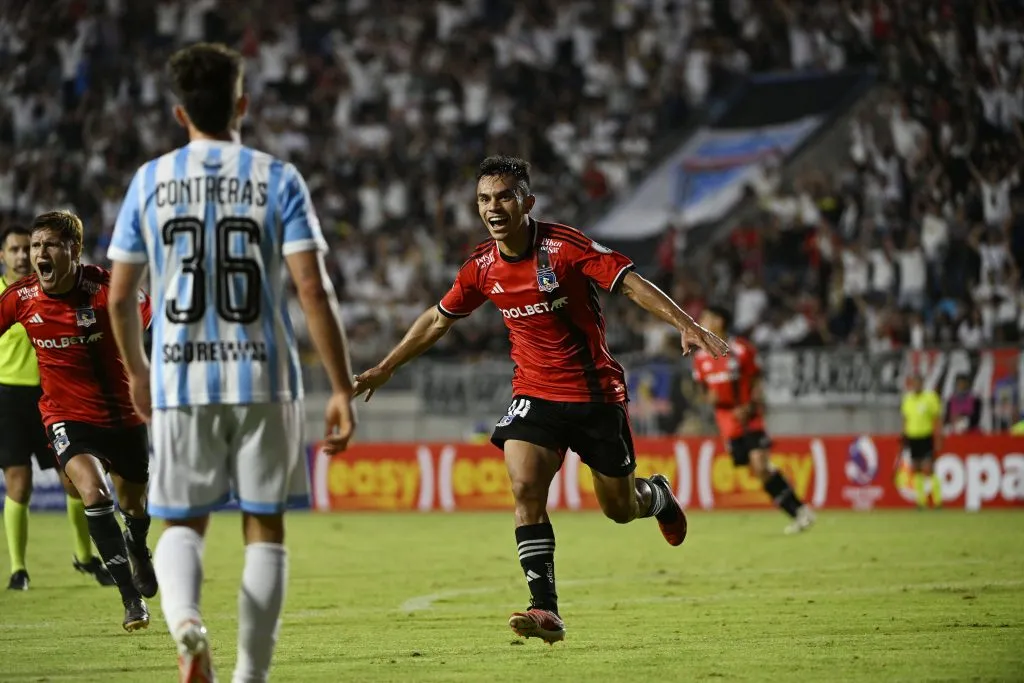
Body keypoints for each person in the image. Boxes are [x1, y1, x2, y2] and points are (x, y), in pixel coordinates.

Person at [353, 155, 730, 645]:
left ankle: (656, 495)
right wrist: (387, 365)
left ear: (526, 202)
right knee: (525, 485)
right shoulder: (481, 268)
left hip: (595, 395)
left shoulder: (565, 247)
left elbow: (630, 284)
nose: (494, 207)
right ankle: (545, 609)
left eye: (504, 196)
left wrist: (686, 323)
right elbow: (438, 319)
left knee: (619, 508)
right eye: (485, 199)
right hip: (535, 393)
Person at [107, 42, 356, 683]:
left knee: (182, 520)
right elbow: (312, 289)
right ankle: (250, 675)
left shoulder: (150, 181)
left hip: (179, 376)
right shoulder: (278, 179)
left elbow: (116, 294)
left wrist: (137, 371)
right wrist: (339, 387)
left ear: (179, 112)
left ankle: (187, 622)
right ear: (242, 103)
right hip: (265, 379)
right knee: (263, 527)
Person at [0, 211, 156, 629]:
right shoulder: (22, 298)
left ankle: (138, 547)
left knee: (134, 507)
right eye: (35, 246)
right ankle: (130, 600)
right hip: (65, 416)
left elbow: (151, 320)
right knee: (95, 492)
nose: (39, 254)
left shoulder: (107, 290)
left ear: (74, 249)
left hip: (123, 416)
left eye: (49, 245)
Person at [0, 225, 114, 590]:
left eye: (25, 249)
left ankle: (84, 557)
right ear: (3, 255)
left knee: (74, 481)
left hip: (54, 398)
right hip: (8, 398)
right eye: (14, 250)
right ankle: (18, 569)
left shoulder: (50, 292)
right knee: (19, 483)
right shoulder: (8, 298)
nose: (21, 256)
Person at [692, 305, 816, 534]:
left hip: (748, 417)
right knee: (759, 470)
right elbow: (702, 391)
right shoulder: (700, 357)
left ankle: (800, 511)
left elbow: (757, 380)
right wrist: (708, 397)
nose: (703, 321)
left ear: (720, 321)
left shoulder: (741, 350)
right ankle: (799, 511)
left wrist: (751, 405)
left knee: (759, 464)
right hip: (727, 422)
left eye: (708, 317)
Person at [901, 373, 943, 509]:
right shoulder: (908, 399)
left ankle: (937, 501)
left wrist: (938, 437)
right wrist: (904, 436)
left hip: (926, 436)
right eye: (914, 383)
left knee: (929, 468)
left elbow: (937, 418)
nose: (916, 386)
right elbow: (905, 420)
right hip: (913, 437)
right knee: (916, 468)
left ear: (923, 384)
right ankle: (921, 501)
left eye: (919, 383)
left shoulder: (930, 398)